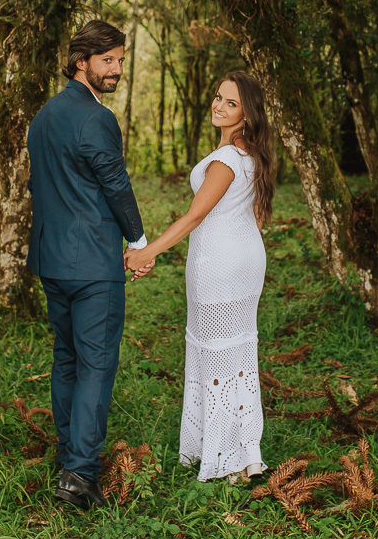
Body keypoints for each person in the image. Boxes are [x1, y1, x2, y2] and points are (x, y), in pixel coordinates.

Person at [26, 19, 154, 509]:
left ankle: (68, 457)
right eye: (107, 60)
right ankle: (79, 476)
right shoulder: (95, 118)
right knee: (95, 364)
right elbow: (115, 183)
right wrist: (138, 241)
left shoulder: (43, 116)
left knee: (68, 357)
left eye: (120, 59)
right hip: (92, 263)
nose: (116, 69)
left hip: (52, 259)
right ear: (81, 62)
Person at [124, 70, 274, 483]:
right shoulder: (250, 155)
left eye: (231, 103)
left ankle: (224, 456)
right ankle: (239, 451)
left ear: (247, 114)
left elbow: (195, 216)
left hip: (220, 265)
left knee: (216, 353)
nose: (219, 106)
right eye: (219, 97)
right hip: (245, 260)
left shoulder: (226, 160)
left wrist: (145, 253)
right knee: (236, 353)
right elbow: (254, 216)